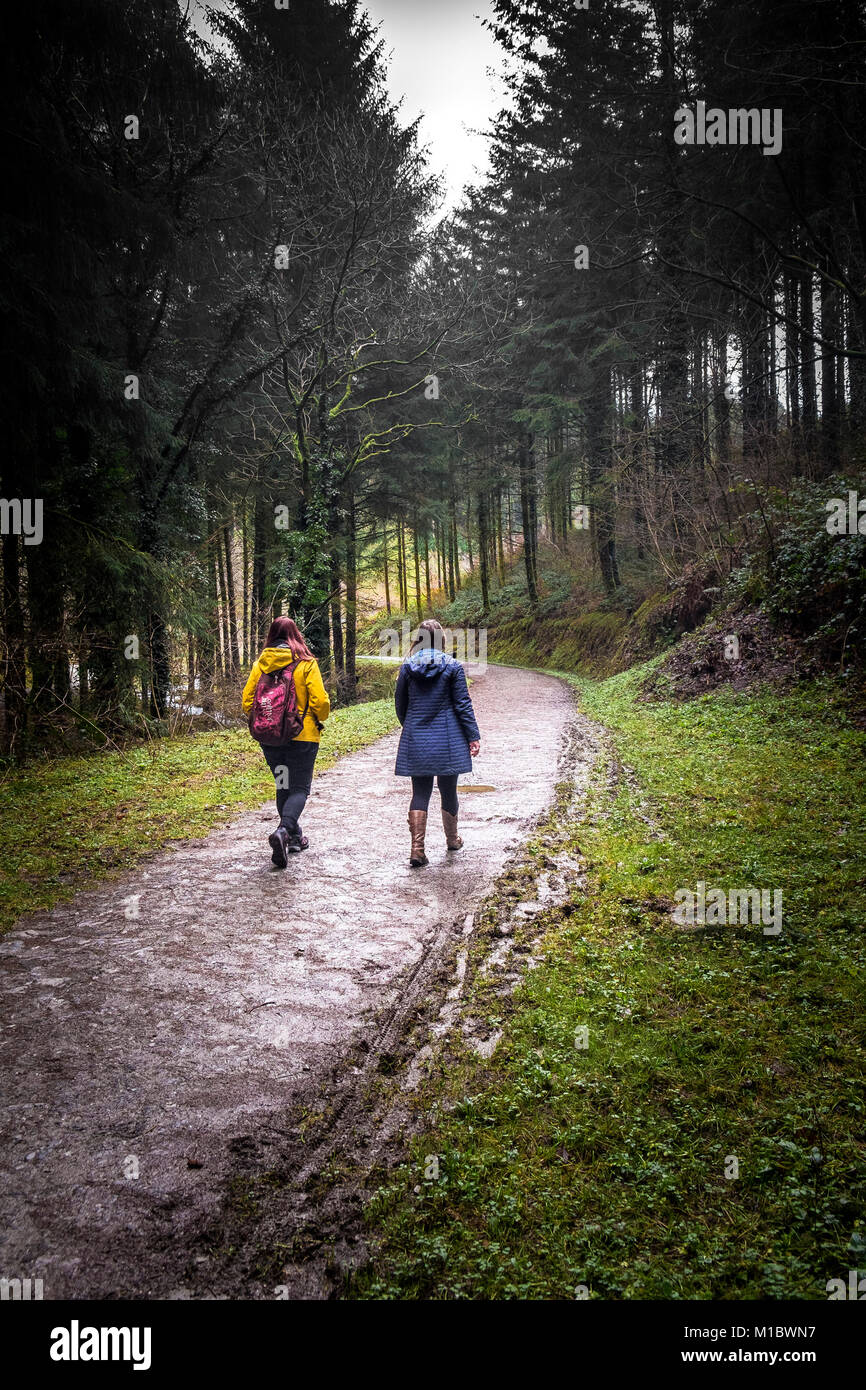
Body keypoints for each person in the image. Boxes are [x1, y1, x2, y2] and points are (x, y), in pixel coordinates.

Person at [241, 616, 330, 868]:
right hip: (302, 737)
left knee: (283, 785)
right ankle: (283, 832)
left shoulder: (261, 665)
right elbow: (320, 703)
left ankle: (293, 837)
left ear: (272, 635)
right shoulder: (306, 663)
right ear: (295, 635)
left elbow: (248, 701)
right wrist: (317, 718)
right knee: (300, 788)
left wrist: (266, 720)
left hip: (271, 740)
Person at [394, 618, 481, 868]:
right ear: (442, 639)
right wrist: (472, 735)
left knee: (419, 792)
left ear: (419, 640)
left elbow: (401, 705)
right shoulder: (453, 667)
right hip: (448, 738)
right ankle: (452, 839)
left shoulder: (407, 667)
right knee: (448, 789)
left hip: (417, 737)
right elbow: (462, 704)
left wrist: (411, 726)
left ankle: (417, 849)